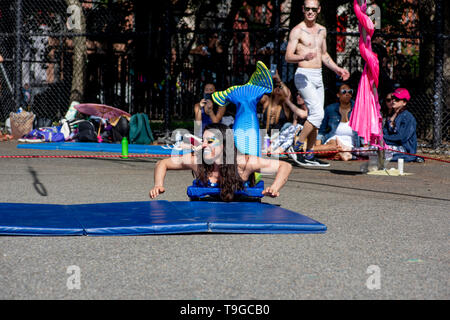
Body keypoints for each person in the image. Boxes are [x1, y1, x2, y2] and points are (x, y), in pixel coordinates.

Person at [149, 123, 292, 202]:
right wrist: (158, 184)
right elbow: (162, 163)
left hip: (241, 204)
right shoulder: (197, 161)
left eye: (210, 141)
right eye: (203, 140)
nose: (204, 145)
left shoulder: (243, 162)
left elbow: (285, 166)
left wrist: (275, 187)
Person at [285, 0, 350, 167]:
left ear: (319, 10)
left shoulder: (322, 30)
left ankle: (309, 153)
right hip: (303, 75)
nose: (310, 12)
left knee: (317, 116)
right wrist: (303, 57)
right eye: (307, 9)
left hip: (318, 75)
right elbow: (288, 56)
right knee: (317, 114)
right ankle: (297, 146)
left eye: (314, 9)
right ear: (303, 9)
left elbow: (324, 54)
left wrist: (338, 70)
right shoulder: (297, 31)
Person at [313, 83, 364, 161]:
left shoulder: (358, 109)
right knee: (333, 145)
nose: (347, 94)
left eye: (350, 92)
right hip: (333, 141)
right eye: (344, 92)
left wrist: (365, 147)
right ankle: (341, 153)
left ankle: (341, 152)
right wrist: (318, 145)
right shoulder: (330, 109)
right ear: (338, 95)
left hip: (350, 144)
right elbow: (322, 130)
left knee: (324, 150)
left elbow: (363, 129)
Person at [383, 88, 423, 162]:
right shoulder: (392, 115)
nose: (393, 101)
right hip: (391, 146)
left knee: (377, 151)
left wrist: (383, 139)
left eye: (397, 99)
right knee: (372, 149)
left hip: (405, 149)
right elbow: (385, 132)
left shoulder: (407, 117)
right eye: (393, 98)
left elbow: (401, 138)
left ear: (404, 102)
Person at [269, 89, 308, 156]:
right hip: (295, 135)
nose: (298, 97)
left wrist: (287, 101)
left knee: (296, 127)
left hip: (305, 137)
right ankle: (270, 148)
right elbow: (293, 126)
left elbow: (303, 115)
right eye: (297, 94)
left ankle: (280, 150)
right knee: (290, 128)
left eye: (300, 95)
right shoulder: (298, 111)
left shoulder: (311, 109)